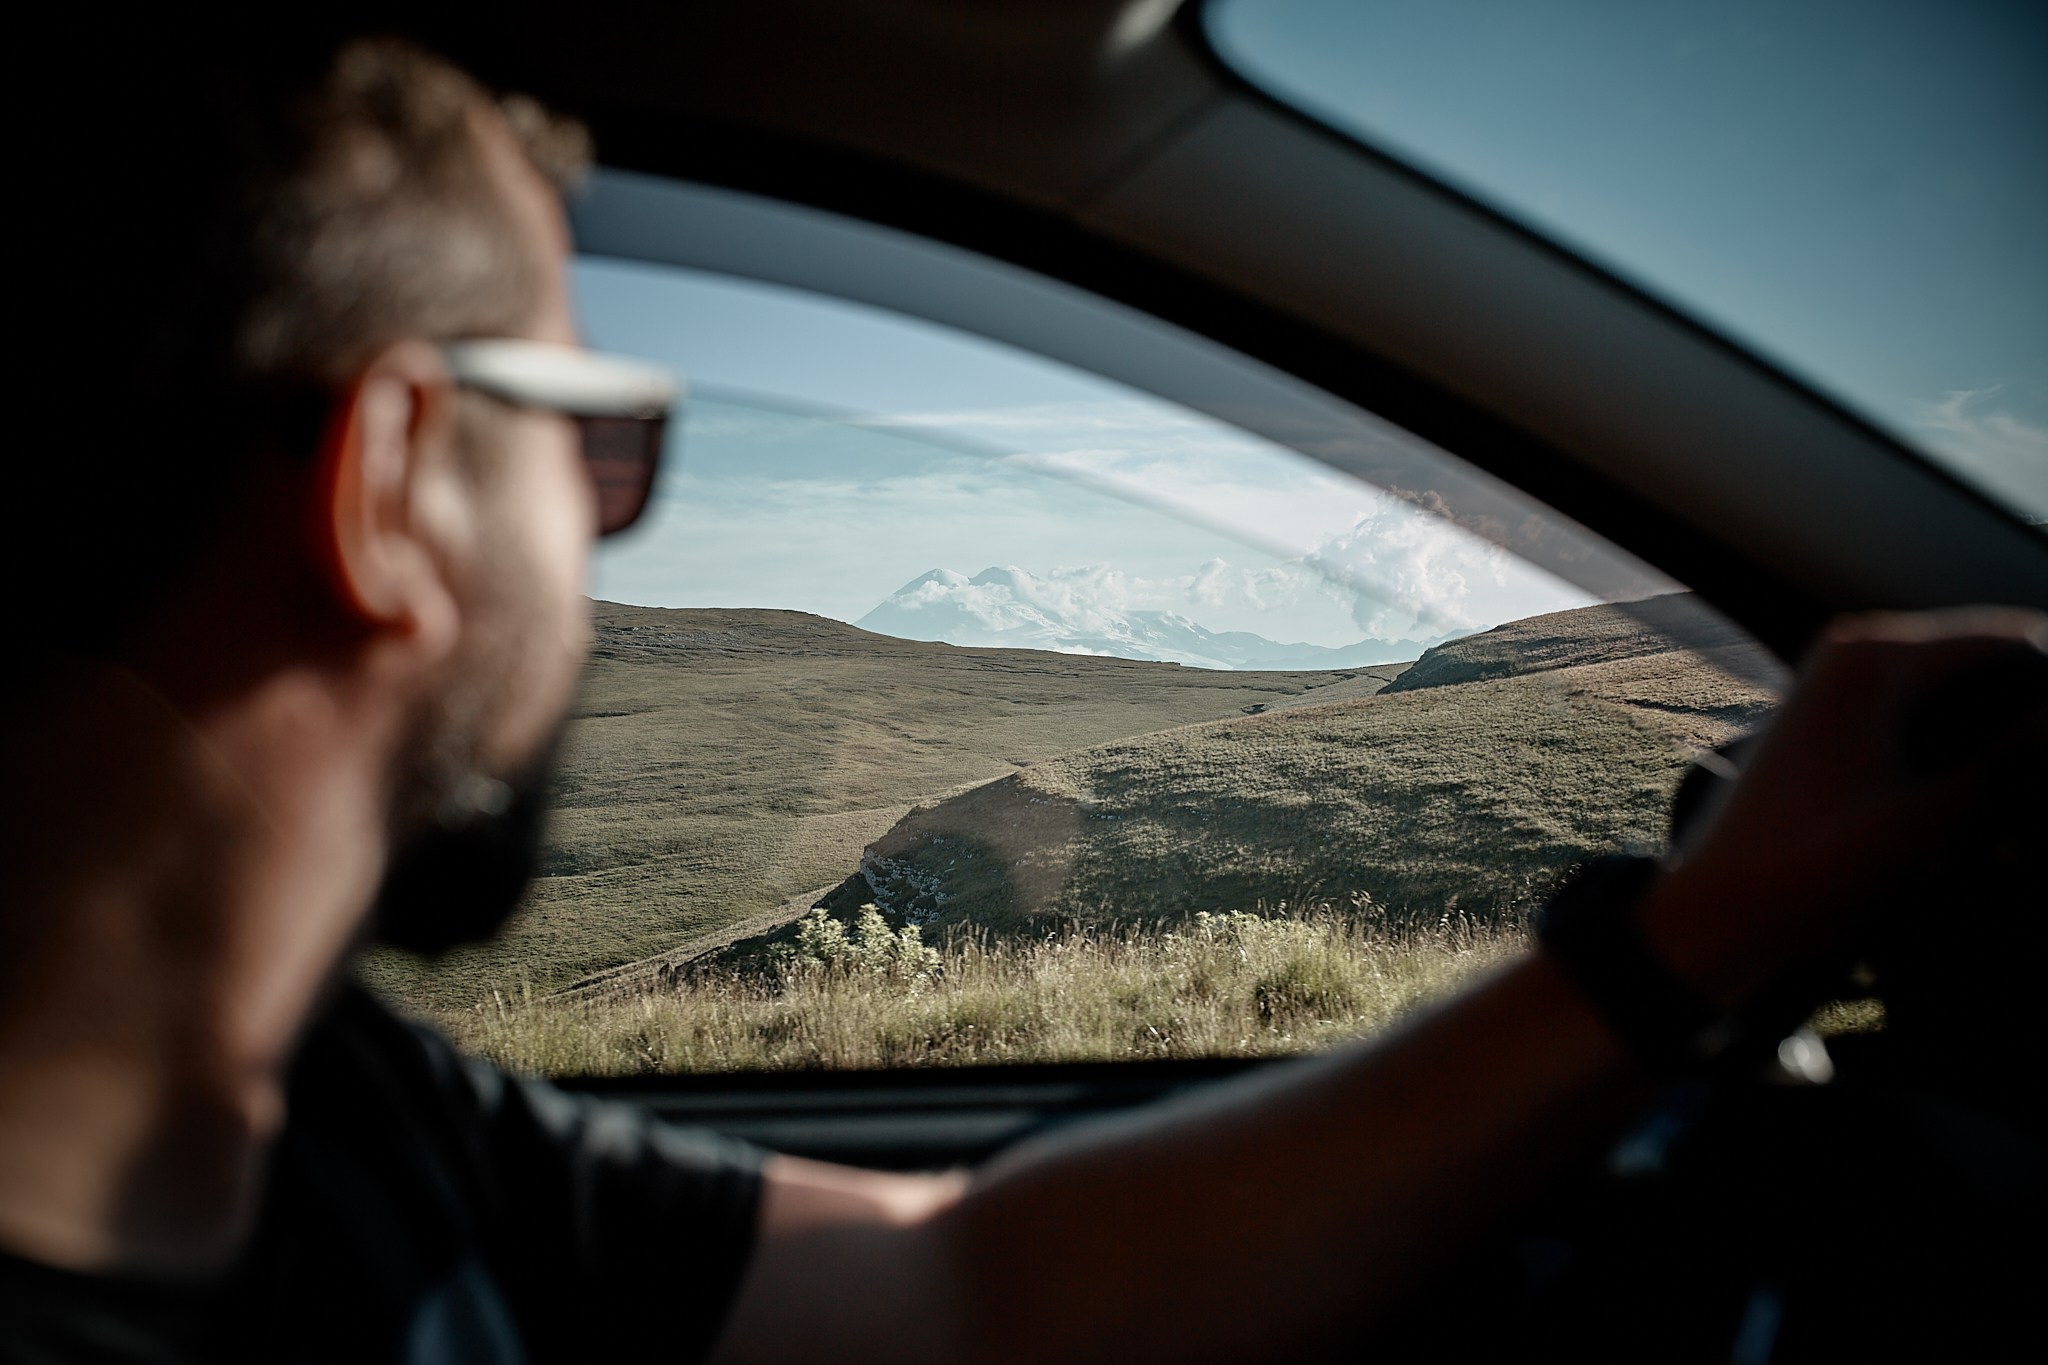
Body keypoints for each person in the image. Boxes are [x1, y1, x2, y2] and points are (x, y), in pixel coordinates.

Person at [3, 27, 2042, 1365]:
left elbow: (964, 1288)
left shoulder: (336, 1113)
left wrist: (1678, 953)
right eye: (599, 433)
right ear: (389, 484)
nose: (615, 527)